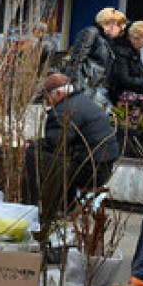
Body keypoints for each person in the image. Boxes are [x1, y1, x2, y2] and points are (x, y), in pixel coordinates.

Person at [38, 72, 121, 208]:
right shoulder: (84, 101)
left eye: (47, 97)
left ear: (58, 94)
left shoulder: (62, 111)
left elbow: (55, 145)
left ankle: (59, 207)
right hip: (105, 166)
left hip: (87, 170)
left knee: (40, 161)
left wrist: (34, 146)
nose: (47, 102)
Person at [65, 7, 125, 109]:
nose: (120, 32)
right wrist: (79, 90)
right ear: (113, 23)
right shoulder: (91, 32)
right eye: (121, 28)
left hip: (95, 88)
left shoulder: (104, 39)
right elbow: (76, 61)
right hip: (86, 88)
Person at [108, 19, 143, 107]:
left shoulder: (134, 49)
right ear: (135, 38)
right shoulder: (120, 51)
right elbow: (123, 79)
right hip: (122, 97)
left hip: (131, 94)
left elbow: (137, 70)